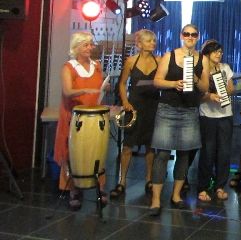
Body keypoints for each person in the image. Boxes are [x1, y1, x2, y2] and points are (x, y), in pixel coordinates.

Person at [148, 24, 209, 215]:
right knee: (162, 154)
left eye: (194, 34)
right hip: (168, 108)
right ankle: (156, 199)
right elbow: (157, 81)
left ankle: (176, 195)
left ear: (198, 37)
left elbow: (205, 87)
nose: (190, 37)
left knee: (184, 154)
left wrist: (195, 78)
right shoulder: (170, 55)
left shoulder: (203, 59)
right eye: (187, 34)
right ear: (181, 36)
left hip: (189, 110)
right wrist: (174, 83)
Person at [53, 32, 108, 210]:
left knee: (96, 150)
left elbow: (99, 88)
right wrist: (85, 90)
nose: (90, 48)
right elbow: (67, 91)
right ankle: (73, 189)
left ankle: (100, 186)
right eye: (86, 45)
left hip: (93, 115)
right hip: (74, 115)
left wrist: (104, 87)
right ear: (76, 47)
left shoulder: (96, 66)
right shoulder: (69, 67)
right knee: (72, 153)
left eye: (91, 44)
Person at [110, 29, 161, 199]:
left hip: (153, 106)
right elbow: (122, 83)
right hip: (134, 105)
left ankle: (149, 179)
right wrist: (125, 102)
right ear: (139, 44)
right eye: (149, 41)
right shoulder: (131, 61)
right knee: (127, 146)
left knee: (150, 146)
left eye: (154, 41)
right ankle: (122, 180)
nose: (152, 43)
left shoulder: (159, 60)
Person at [196, 40, 234, 202]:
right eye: (215, 52)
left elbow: (231, 88)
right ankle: (203, 187)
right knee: (207, 152)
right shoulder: (201, 70)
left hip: (225, 114)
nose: (219, 54)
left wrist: (223, 90)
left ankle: (220, 186)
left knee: (224, 153)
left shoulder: (225, 67)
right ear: (207, 54)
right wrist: (210, 96)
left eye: (220, 51)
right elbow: (197, 95)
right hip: (207, 115)